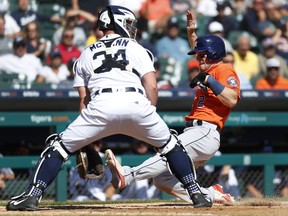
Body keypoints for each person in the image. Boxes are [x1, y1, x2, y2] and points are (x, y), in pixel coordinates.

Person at [6, 6, 208, 211]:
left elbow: (84, 99)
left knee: (57, 147)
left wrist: (86, 140)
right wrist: (148, 113)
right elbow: (152, 85)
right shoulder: (136, 47)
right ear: (118, 23)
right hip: (136, 102)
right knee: (171, 145)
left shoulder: (85, 52)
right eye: (128, 23)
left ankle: (32, 195)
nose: (132, 28)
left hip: (100, 105)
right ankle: (196, 192)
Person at [104, 10, 240, 206]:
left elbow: (232, 99)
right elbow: (197, 47)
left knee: (170, 151)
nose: (199, 58)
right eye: (198, 55)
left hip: (206, 131)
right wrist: (192, 32)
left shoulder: (223, 69)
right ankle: (211, 195)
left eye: (203, 55)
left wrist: (210, 81)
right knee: (163, 179)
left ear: (214, 54)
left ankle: (128, 174)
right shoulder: (208, 67)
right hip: (194, 131)